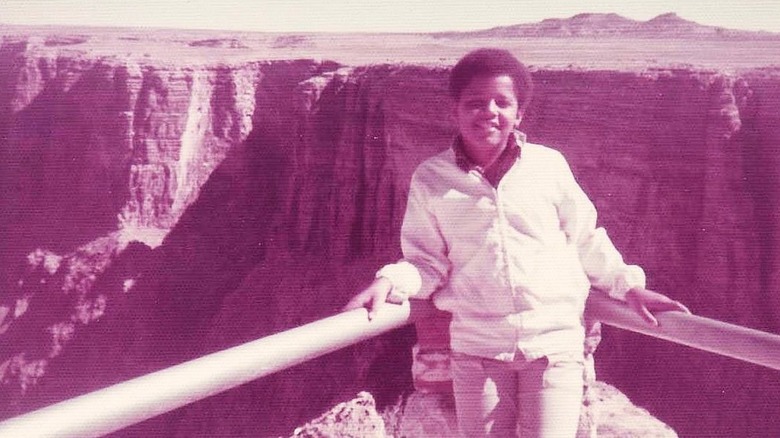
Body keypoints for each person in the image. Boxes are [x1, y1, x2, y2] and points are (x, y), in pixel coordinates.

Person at [343, 48, 689, 438]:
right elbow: (426, 262)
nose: (489, 111)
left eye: (502, 102)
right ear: (454, 110)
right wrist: (390, 281)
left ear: (519, 113)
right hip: (477, 351)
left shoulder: (548, 167)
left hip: (553, 348)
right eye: (475, 102)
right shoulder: (432, 179)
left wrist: (630, 287)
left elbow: (586, 239)